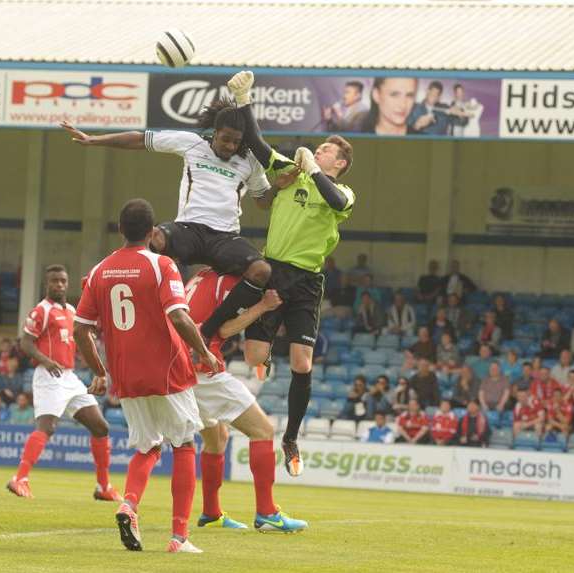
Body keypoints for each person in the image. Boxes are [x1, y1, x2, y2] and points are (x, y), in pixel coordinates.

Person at [226, 70, 356, 477]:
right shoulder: (291, 171)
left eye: (325, 150)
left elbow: (334, 199)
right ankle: (264, 358)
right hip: (273, 271)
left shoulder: (342, 191)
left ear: (341, 162)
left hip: (307, 281)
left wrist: (313, 169)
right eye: (316, 148)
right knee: (254, 357)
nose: (317, 152)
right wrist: (244, 99)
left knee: (303, 363)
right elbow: (256, 142)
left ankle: (291, 438)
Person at [61, 97, 272, 346]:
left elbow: (262, 200)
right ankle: (137, 305)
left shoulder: (249, 161)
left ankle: (207, 330)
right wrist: (95, 140)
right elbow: (141, 139)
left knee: (262, 271)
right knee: (154, 237)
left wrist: (280, 184)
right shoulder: (191, 144)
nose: (230, 146)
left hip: (225, 238)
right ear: (214, 133)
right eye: (225, 139)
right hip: (188, 229)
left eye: (236, 142)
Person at [73, 199, 219, 553]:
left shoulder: (99, 271)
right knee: (184, 444)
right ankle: (178, 537)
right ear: (154, 233)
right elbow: (181, 318)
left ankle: (129, 504)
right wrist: (203, 352)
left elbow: (80, 330)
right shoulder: (161, 265)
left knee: (148, 445)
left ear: (120, 229)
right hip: (166, 370)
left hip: (127, 376)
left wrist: (100, 372)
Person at [183, 266, 306, 532]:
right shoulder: (229, 282)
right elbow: (224, 330)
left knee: (217, 439)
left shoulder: (200, 275)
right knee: (263, 430)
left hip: (181, 368)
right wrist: (263, 305)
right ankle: (267, 513)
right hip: (204, 371)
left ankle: (211, 513)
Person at [7, 265, 121, 506]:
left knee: (101, 427)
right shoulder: (41, 311)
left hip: (69, 377)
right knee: (47, 427)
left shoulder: (70, 310)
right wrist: (46, 361)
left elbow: (81, 341)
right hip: (48, 375)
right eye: (54, 281)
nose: (59, 285)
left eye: (62, 281)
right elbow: (25, 343)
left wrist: (98, 370)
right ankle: (19, 479)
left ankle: (104, 486)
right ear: (46, 284)